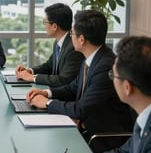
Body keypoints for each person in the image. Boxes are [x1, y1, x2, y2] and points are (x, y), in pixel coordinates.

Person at [26, 10, 134, 143]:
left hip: (101, 138)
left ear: (81, 40)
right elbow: (73, 88)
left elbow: (81, 109)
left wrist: (47, 103)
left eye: (72, 33)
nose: (70, 37)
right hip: (83, 128)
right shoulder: (91, 59)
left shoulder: (106, 66)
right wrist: (46, 93)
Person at [15, 3, 84, 86]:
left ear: (55, 26)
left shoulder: (73, 47)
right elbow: (49, 66)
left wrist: (32, 78)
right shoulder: (58, 43)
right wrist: (29, 71)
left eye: (45, 22)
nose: (44, 25)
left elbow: (63, 80)